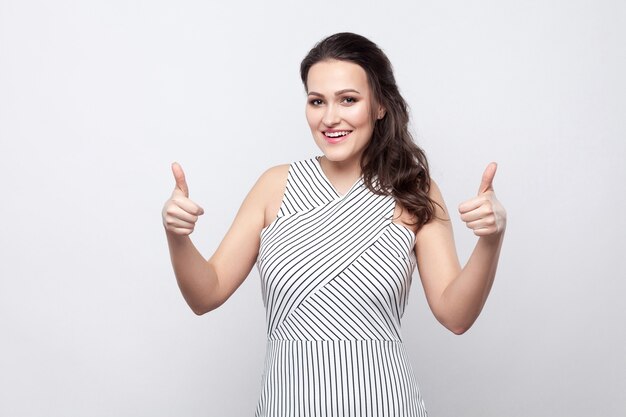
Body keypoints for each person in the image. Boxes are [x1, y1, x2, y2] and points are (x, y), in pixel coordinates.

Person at [162, 32, 506, 417]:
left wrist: (491, 240)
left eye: (348, 100)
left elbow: (455, 316)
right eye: (316, 101)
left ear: (379, 106)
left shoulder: (413, 190)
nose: (330, 118)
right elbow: (205, 294)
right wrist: (178, 238)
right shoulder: (274, 186)